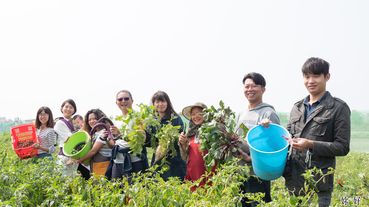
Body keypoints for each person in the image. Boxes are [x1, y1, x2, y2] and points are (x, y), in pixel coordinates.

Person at [284, 57, 350, 207]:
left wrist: (311, 144)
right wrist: (268, 128)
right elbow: (286, 138)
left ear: (327, 77)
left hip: (319, 183)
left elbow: (342, 147)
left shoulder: (338, 108)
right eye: (307, 76)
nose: (311, 81)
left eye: (316, 76)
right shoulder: (297, 107)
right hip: (294, 182)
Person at [236, 72, 280, 207]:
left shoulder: (268, 113)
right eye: (247, 86)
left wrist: (252, 159)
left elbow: (275, 146)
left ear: (263, 89)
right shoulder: (240, 114)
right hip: (239, 173)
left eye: (254, 86)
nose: (250, 90)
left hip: (258, 173)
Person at [105, 90, 150, 181]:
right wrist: (106, 139)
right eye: (120, 99)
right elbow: (113, 144)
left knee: (136, 191)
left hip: (135, 161)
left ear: (132, 101)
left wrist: (120, 134)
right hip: (118, 161)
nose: (123, 101)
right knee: (117, 190)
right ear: (116, 102)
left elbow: (140, 140)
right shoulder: (114, 118)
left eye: (126, 98)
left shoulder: (139, 118)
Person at [179, 102, 216, 191]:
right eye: (193, 114)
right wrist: (183, 143)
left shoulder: (214, 131)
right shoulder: (190, 133)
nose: (196, 116)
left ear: (206, 115)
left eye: (200, 113)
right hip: (193, 173)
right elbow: (185, 155)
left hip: (209, 173)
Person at [150, 91, 186, 181]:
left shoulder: (175, 119)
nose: (160, 104)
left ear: (167, 103)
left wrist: (168, 140)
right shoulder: (152, 121)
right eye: (157, 102)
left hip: (174, 161)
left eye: (163, 101)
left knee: (175, 185)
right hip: (158, 160)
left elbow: (181, 137)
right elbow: (149, 141)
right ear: (153, 104)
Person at [77, 109, 117, 176]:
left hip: (103, 164)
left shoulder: (103, 132)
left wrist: (79, 160)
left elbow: (93, 151)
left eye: (94, 119)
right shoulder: (95, 133)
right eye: (89, 120)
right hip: (97, 164)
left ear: (100, 119)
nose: (92, 121)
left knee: (102, 184)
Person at [54, 99, 80, 176]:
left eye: (71, 107)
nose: (68, 109)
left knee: (73, 180)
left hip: (74, 155)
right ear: (62, 108)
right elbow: (70, 139)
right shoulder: (60, 123)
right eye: (66, 107)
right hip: (65, 156)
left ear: (74, 110)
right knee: (64, 179)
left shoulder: (75, 123)